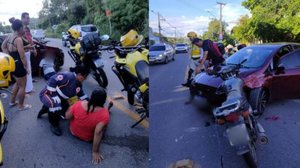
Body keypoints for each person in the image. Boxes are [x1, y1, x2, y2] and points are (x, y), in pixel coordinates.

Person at [37, 65, 90, 136]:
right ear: (79, 74)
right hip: (47, 93)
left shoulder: (78, 83)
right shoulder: (68, 76)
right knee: (55, 105)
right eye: (84, 77)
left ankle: (46, 108)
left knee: (65, 113)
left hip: (60, 97)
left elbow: (81, 94)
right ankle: (54, 125)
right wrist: (54, 95)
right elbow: (52, 80)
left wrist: (90, 102)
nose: (85, 79)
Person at [65, 88, 110, 164]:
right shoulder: (104, 114)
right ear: (104, 101)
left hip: (73, 132)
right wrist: (95, 152)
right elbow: (98, 133)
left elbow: (67, 116)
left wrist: (71, 107)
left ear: (91, 97)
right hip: (87, 138)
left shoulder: (79, 103)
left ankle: (109, 109)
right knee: (104, 125)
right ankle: (108, 109)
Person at [1, 19, 32, 110]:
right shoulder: (18, 39)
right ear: (20, 28)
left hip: (12, 63)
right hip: (19, 64)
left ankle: (12, 101)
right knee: (22, 85)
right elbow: (22, 55)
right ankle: (21, 106)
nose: (23, 29)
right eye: (22, 27)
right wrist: (26, 67)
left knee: (18, 84)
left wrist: (9, 56)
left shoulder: (10, 36)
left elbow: (3, 46)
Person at [21, 12, 38, 88]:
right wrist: (32, 48)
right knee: (25, 70)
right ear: (22, 18)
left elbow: (30, 39)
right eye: (27, 18)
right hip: (23, 53)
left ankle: (29, 88)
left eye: (29, 18)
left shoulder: (27, 28)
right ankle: (26, 90)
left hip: (28, 51)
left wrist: (33, 48)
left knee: (29, 69)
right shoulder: (20, 29)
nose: (29, 19)